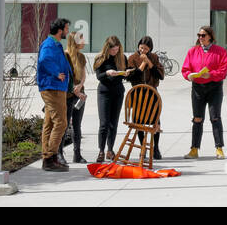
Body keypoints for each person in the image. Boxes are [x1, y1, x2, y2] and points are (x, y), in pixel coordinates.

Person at [180, 25, 227, 158]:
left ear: (210, 37)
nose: (200, 38)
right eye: (199, 35)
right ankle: (194, 149)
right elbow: (185, 69)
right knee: (197, 118)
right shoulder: (192, 51)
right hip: (197, 89)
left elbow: (223, 71)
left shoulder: (220, 51)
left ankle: (219, 149)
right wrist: (189, 75)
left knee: (215, 117)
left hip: (214, 88)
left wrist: (211, 75)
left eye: (203, 35)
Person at [37, 17, 71, 172]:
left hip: (57, 87)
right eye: (66, 28)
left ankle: (47, 158)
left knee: (50, 123)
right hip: (52, 87)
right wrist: (57, 73)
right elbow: (44, 60)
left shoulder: (55, 44)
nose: (67, 31)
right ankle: (51, 157)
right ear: (60, 30)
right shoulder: (49, 44)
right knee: (61, 122)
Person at [125, 36, 166, 160]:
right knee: (139, 121)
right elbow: (130, 77)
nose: (143, 51)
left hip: (152, 93)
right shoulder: (132, 58)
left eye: (146, 49)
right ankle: (143, 147)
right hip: (138, 94)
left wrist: (149, 62)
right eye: (141, 48)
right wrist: (142, 64)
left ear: (150, 49)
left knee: (155, 121)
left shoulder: (154, 57)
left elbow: (160, 75)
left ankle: (156, 148)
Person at [93, 35, 133, 163]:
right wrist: (107, 73)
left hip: (118, 92)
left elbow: (124, 75)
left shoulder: (122, 58)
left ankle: (110, 150)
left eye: (117, 49)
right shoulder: (100, 58)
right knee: (104, 123)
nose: (115, 52)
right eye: (112, 50)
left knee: (113, 123)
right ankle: (101, 151)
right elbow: (99, 76)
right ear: (107, 48)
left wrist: (126, 73)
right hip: (104, 92)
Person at [63, 30, 89, 164]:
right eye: (81, 39)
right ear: (74, 41)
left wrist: (80, 86)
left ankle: (77, 154)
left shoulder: (81, 57)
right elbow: (66, 76)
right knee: (65, 124)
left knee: (77, 125)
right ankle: (59, 154)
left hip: (80, 94)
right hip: (68, 95)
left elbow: (84, 74)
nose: (83, 42)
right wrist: (75, 89)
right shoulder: (65, 55)